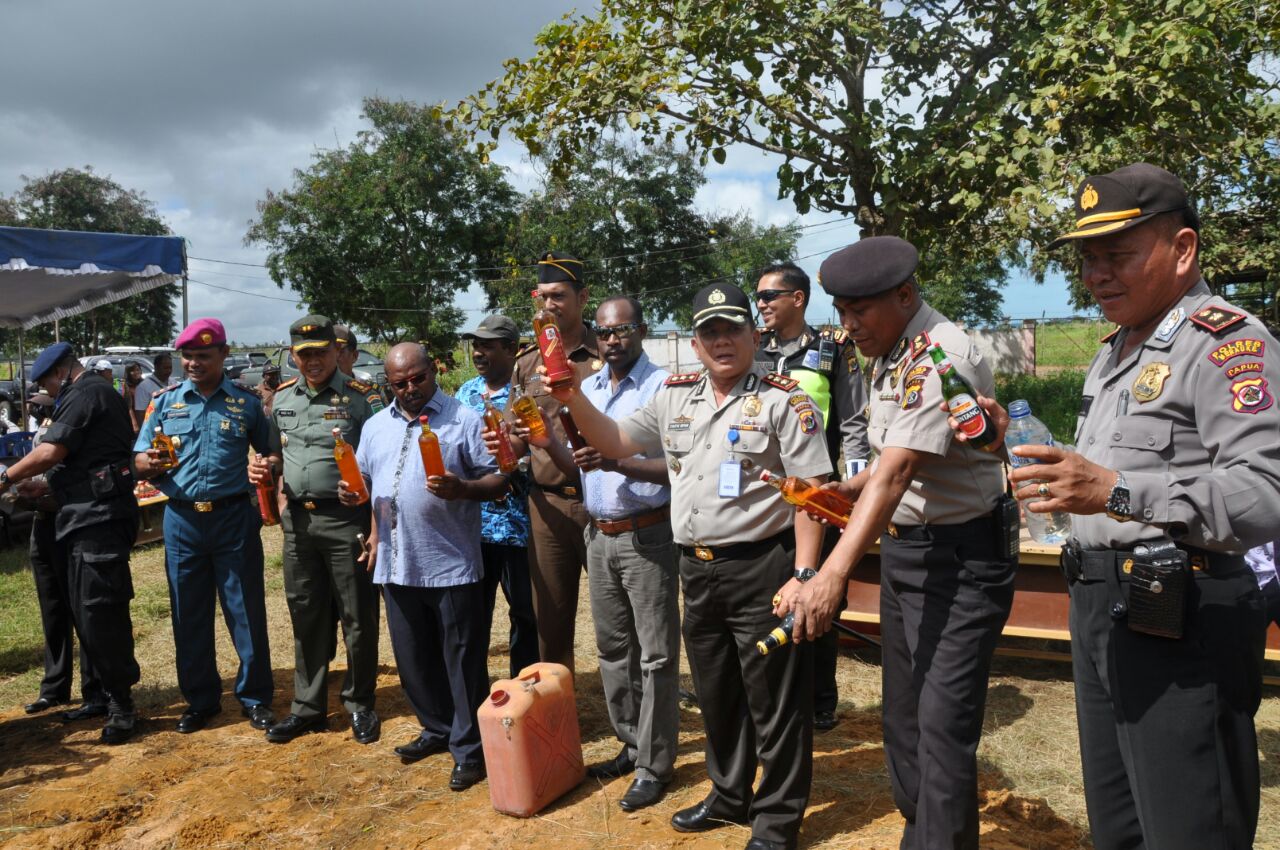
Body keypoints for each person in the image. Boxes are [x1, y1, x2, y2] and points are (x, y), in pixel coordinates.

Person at [964, 163, 1277, 850]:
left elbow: (1265, 493)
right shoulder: (1116, 349)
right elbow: (1105, 472)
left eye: (1117, 255)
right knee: (1120, 827)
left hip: (1185, 609)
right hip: (1104, 601)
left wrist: (1116, 492)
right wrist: (1013, 448)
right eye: (1087, 259)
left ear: (1184, 250)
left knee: (1189, 826)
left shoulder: (1229, 344)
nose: (1097, 275)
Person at [554, 284, 830, 850]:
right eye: (709, 332)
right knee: (717, 693)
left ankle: (776, 822)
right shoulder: (674, 396)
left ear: (753, 334)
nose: (722, 341)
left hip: (763, 567)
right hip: (697, 569)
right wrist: (568, 395)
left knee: (773, 702)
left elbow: (811, 494)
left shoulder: (785, 400)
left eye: (732, 329)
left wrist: (805, 575)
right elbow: (612, 439)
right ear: (696, 342)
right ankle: (729, 795)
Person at [782, 237, 1014, 850]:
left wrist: (830, 573)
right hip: (911, 553)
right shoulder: (889, 350)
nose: (849, 325)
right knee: (904, 721)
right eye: (841, 311)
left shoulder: (942, 354)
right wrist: (833, 489)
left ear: (906, 296)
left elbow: (899, 472)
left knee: (940, 728)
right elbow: (883, 466)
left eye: (861, 310)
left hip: (964, 560)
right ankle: (924, 832)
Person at [537, 296, 679, 812]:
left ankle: (655, 764)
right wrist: (544, 441)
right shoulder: (587, 389)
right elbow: (580, 468)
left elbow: (675, 468)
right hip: (598, 534)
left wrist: (619, 463)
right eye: (604, 332)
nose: (613, 339)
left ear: (641, 330)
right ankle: (631, 742)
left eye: (623, 330)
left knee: (657, 654)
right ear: (594, 337)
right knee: (614, 650)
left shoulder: (665, 387)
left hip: (648, 534)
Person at [345, 343, 504, 791]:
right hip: (396, 561)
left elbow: (499, 478)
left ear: (433, 371)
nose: (411, 389)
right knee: (414, 659)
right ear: (388, 384)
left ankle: (470, 748)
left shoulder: (464, 419)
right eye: (400, 383)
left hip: (450, 560)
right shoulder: (375, 426)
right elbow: (365, 483)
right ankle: (436, 729)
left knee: (461, 661)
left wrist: (464, 488)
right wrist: (357, 503)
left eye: (418, 378)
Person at [133, 319, 275, 733]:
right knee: (188, 613)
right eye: (188, 356)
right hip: (181, 520)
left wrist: (265, 466)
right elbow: (139, 457)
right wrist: (147, 463)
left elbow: (270, 452)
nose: (193, 363)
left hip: (233, 518)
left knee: (245, 610)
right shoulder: (164, 402)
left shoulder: (247, 404)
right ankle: (200, 700)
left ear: (223, 355)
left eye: (203, 356)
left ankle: (255, 698)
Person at [0, 342, 141, 744]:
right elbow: (76, 461)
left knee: (101, 613)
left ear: (61, 372)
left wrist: (6, 478)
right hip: (82, 518)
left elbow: (51, 450)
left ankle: (122, 705)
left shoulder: (86, 392)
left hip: (101, 518)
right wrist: (42, 485)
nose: (47, 390)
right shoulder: (85, 393)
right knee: (86, 610)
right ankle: (99, 696)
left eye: (47, 381)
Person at [251, 315, 382, 745]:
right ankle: (307, 708)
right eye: (304, 354)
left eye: (321, 353)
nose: (312, 361)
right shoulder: (283, 400)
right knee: (305, 612)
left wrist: (365, 494)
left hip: (346, 521)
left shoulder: (362, 399)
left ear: (336, 352)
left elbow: (381, 458)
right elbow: (275, 453)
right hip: (299, 524)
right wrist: (263, 467)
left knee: (356, 616)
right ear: (293, 356)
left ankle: (360, 703)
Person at [754, 261, 869, 732]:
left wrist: (858, 490)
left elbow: (855, 424)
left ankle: (820, 700)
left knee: (817, 593)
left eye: (768, 296)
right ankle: (774, 694)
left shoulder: (832, 349)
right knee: (768, 592)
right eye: (758, 297)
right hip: (761, 492)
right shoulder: (752, 350)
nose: (760, 304)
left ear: (797, 299)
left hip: (815, 492)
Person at [507, 251, 603, 670]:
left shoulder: (606, 353)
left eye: (559, 295)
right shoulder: (527, 363)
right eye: (542, 295)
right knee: (551, 618)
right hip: (547, 506)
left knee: (615, 616)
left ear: (582, 297)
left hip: (603, 502)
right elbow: (515, 435)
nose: (548, 305)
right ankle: (558, 715)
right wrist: (504, 445)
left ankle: (633, 715)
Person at [456, 314, 539, 677]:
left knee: (526, 613)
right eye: (476, 345)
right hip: (473, 528)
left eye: (488, 345)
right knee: (472, 615)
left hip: (520, 527)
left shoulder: (525, 396)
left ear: (511, 349)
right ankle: (474, 694)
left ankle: (524, 690)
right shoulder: (464, 395)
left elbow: (545, 448)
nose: (479, 352)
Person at [18, 395, 106, 722]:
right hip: (41, 524)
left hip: (70, 520)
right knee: (52, 608)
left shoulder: (79, 425)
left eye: (43, 402)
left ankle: (94, 689)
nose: (37, 408)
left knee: (80, 607)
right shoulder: (43, 430)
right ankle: (54, 688)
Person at [133, 352, 174, 426]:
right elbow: (140, 414)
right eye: (165, 368)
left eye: (170, 368)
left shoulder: (174, 383)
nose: (168, 371)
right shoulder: (143, 387)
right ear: (156, 367)